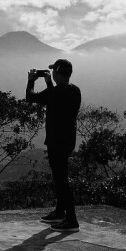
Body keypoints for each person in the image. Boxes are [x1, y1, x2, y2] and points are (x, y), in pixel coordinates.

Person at [25, 59, 81, 232]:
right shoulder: (75, 91)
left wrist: (31, 80)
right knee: (60, 177)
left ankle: (71, 219)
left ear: (56, 73)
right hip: (68, 140)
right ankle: (59, 212)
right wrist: (50, 83)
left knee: (61, 180)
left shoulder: (55, 93)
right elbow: (56, 100)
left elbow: (30, 97)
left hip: (56, 141)